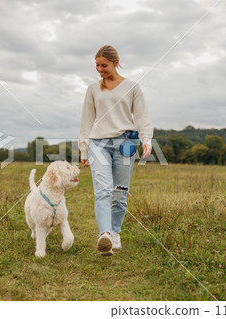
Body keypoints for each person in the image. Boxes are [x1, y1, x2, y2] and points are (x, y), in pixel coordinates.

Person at [78, 45, 153, 256]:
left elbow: (141, 116)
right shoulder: (93, 89)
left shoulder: (132, 87)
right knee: (102, 191)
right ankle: (105, 235)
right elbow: (86, 120)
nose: (99, 69)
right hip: (98, 144)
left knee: (120, 193)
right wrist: (84, 150)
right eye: (97, 65)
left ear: (115, 63)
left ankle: (116, 232)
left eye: (104, 65)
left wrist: (146, 139)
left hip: (125, 143)